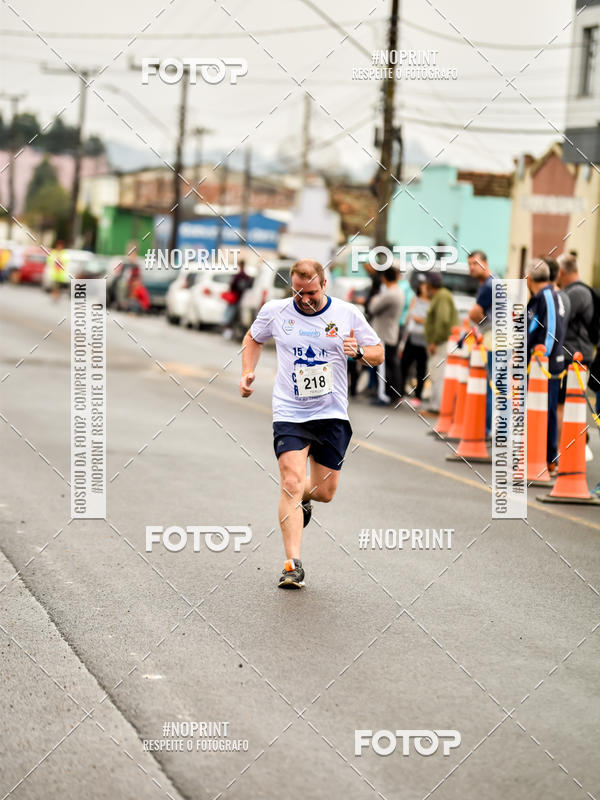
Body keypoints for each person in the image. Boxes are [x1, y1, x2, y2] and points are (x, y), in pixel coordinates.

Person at [239, 258, 384, 589]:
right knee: (290, 481)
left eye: (311, 293)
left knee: (325, 491)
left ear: (324, 285)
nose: (304, 299)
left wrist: (359, 351)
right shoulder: (275, 311)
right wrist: (248, 371)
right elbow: (253, 338)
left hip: (331, 413)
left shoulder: (346, 314)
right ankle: (292, 564)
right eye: (298, 292)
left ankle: (303, 497)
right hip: (290, 411)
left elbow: (380, 352)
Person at [526, 260, 566, 472]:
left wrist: (543, 358)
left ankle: (548, 457)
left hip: (545, 365)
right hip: (538, 363)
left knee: (547, 410)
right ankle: (536, 454)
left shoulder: (547, 295)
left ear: (529, 279)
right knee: (537, 410)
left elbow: (551, 330)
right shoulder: (539, 298)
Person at [556, 252, 595, 443]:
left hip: (574, 356)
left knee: (562, 404)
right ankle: (574, 441)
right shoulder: (576, 291)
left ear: (561, 271)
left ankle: (563, 450)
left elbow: (559, 319)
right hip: (576, 354)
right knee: (570, 405)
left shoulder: (576, 293)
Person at [467, 250, 495, 435]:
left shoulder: (489, 285)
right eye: (469, 264)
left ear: (485, 262)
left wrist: (485, 326)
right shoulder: (494, 281)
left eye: (475, 263)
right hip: (499, 338)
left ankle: (487, 428)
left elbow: (474, 313)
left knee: (491, 383)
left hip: (493, 339)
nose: (471, 268)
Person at [367, 266, 404, 405]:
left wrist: (375, 299)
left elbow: (373, 308)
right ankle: (394, 394)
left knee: (382, 367)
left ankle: (384, 396)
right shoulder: (398, 291)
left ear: (384, 278)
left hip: (383, 334)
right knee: (392, 365)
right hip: (391, 332)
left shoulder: (390, 294)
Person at [423, 271, 458, 415]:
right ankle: (436, 406)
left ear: (430, 285)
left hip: (442, 342)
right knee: (437, 373)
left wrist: (434, 341)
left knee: (438, 374)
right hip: (441, 341)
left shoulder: (442, 296)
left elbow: (442, 320)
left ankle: (436, 407)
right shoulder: (440, 296)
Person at [400, 276, 429, 408]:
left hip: (423, 339)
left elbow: (428, 321)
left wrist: (417, 319)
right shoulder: (415, 299)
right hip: (411, 337)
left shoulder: (432, 302)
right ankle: (400, 393)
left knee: (421, 369)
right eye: (422, 286)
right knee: (404, 365)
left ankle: (418, 396)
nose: (424, 288)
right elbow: (409, 315)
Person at [222, 259, 253, 340]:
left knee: (229, 315)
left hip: (234, 299)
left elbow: (231, 286)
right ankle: (233, 333)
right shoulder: (247, 277)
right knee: (238, 317)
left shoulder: (237, 276)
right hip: (242, 300)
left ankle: (228, 333)